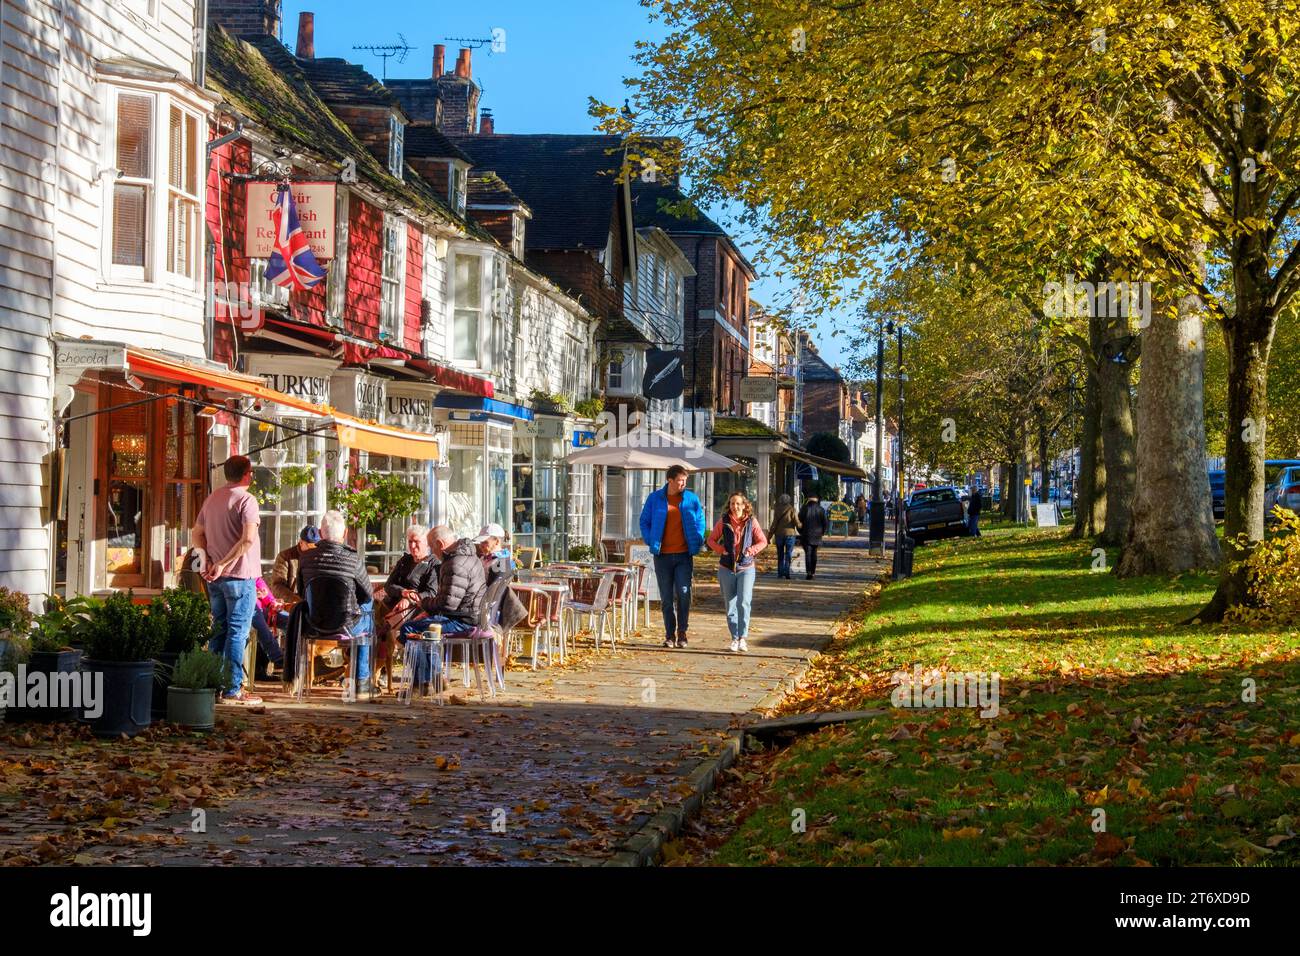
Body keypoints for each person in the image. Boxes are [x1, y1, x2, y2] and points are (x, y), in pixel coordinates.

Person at [191, 455, 262, 705]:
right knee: (237, 631)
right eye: (251, 472)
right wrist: (222, 564)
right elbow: (248, 540)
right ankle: (232, 688)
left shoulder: (212, 499)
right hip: (240, 576)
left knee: (218, 630)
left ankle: (213, 684)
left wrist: (206, 560)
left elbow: (196, 533)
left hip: (215, 578)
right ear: (247, 474)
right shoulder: (247, 500)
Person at [399, 526, 488, 687]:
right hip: (470, 615)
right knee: (425, 628)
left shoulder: (455, 564)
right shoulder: (468, 556)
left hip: (463, 620)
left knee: (409, 629)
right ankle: (434, 678)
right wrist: (428, 611)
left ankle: (425, 683)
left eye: (432, 546)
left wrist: (423, 603)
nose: (432, 551)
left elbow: (448, 604)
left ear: (440, 544)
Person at [297, 509, 375, 691]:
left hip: (313, 624)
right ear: (345, 533)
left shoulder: (306, 559)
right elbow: (367, 594)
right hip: (346, 625)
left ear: (320, 532)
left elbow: (302, 592)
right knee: (369, 610)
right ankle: (362, 681)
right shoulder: (353, 559)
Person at [639, 464, 707, 648]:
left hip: (684, 555)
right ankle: (669, 634)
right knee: (667, 598)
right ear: (670, 480)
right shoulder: (655, 499)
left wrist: (699, 538)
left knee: (684, 593)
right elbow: (644, 521)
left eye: (685, 481)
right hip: (663, 556)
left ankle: (682, 633)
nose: (683, 484)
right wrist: (650, 538)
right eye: (680, 481)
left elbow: (701, 520)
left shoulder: (691, 499)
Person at [374, 524, 439, 687]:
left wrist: (410, 599)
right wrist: (403, 593)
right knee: (374, 614)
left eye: (416, 542)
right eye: (410, 542)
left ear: (426, 543)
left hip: (418, 609)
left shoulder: (434, 564)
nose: (413, 545)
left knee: (389, 626)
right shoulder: (405, 560)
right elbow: (389, 585)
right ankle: (374, 670)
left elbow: (431, 592)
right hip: (392, 606)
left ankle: (383, 633)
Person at [707, 493, 768, 653]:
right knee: (730, 605)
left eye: (739, 503)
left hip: (746, 568)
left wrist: (751, 550)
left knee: (744, 602)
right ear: (730, 505)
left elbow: (763, 541)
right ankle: (734, 637)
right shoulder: (724, 521)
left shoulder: (751, 522)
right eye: (733, 503)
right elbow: (711, 540)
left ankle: (743, 638)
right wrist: (721, 550)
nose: (735, 506)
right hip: (726, 568)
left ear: (744, 505)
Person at [271, 525, 318, 625]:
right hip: (291, 605)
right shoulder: (285, 557)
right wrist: (298, 601)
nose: (313, 551)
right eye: (310, 547)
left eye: (315, 547)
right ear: (301, 543)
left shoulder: (318, 556)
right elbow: (277, 586)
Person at [251, 576, 286, 681]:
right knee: (259, 622)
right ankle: (279, 659)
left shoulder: (252, 567)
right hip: (248, 606)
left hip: (262, 607)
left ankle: (293, 658)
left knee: (291, 619)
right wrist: (253, 593)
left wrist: (271, 601)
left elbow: (259, 582)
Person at [768, 494, 801, 580]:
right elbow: (797, 523)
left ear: (780, 501)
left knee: (780, 554)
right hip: (790, 534)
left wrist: (769, 536)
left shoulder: (777, 510)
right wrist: (801, 526)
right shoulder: (792, 509)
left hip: (779, 534)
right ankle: (787, 572)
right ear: (789, 500)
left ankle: (780, 573)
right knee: (788, 554)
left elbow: (774, 524)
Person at [798, 493, 829, 580]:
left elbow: (799, 522)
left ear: (808, 499)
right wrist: (822, 532)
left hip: (806, 534)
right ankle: (813, 572)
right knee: (814, 553)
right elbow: (825, 522)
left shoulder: (804, 509)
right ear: (817, 500)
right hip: (817, 535)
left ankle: (808, 572)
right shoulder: (821, 509)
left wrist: (801, 532)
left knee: (808, 553)